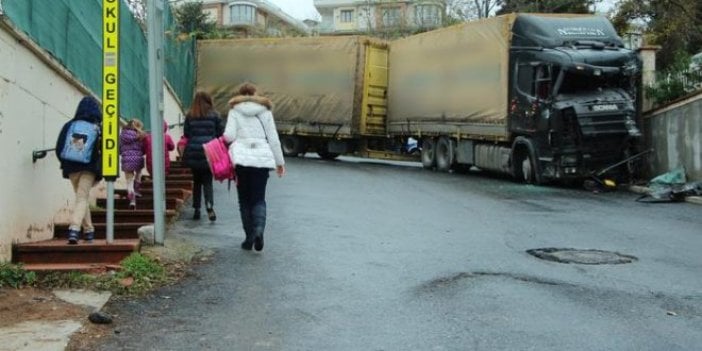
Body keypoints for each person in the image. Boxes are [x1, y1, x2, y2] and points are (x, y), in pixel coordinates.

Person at [223, 83, 285, 251]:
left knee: (244, 200)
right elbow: (273, 138)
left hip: (241, 160)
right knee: (259, 198)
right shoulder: (265, 111)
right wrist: (280, 162)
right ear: (255, 94)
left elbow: (228, 136)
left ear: (240, 94)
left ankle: (249, 238)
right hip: (261, 160)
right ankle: (259, 230)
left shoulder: (235, 111)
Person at [55, 96, 103, 244]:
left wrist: (65, 162)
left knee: (81, 197)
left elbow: (59, 147)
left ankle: (89, 231)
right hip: (89, 167)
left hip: (71, 167)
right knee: (82, 198)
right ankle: (74, 229)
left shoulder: (69, 125)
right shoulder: (98, 128)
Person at [183, 91, 224, 221]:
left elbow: (187, 134)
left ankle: (197, 209)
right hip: (209, 152)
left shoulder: (190, 115)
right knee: (207, 181)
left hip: (194, 151)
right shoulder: (215, 115)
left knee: (196, 181)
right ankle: (209, 206)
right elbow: (220, 133)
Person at [120, 118, 145, 209]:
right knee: (138, 173)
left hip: (126, 159)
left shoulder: (122, 135)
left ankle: (132, 200)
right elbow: (143, 148)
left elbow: (119, 148)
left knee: (129, 181)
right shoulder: (140, 135)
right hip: (138, 158)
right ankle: (137, 190)